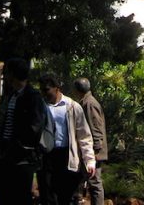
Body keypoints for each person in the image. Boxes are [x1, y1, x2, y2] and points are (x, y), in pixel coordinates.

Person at [37, 74, 95, 205]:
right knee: (48, 196)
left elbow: (84, 136)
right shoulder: (41, 107)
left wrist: (89, 160)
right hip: (46, 156)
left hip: (66, 156)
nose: (44, 93)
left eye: (46, 90)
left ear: (57, 88)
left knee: (66, 196)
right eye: (41, 90)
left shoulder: (72, 107)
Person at [0, 58, 45, 205]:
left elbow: (35, 127)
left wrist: (19, 146)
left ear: (14, 75)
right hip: (6, 155)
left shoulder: (32, 97)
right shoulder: (13, 95)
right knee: (5, 196)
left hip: (22, 158)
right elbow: (6, 123)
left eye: (8, 73)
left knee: (20, 197)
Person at [72, 77, 108, 205]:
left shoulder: (89, 104)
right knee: (87, 181)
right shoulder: (86, 102)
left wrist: (94, 152)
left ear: (77, 90)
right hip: (91, 151)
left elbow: (96, 128)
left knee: (94, 183)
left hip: (94, 152)